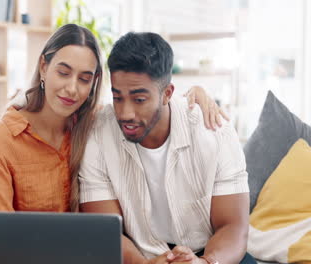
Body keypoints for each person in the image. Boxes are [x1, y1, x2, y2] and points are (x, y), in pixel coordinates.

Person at [0, 24, 227, 264]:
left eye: (85, 79)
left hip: (70, 250)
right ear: (44, 67)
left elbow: (153, 100)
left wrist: (197, 96)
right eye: (63, 73)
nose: (71, 89)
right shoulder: (3, 138)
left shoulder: (94, 124)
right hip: (9, 250)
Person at [79, 32, 256, 264]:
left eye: (139, 99)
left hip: (210, 253)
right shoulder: (99, 134)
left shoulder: (213, 130)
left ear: (167, 94)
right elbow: (106, 231)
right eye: (117, 97)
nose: (125, 113)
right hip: (138, 256)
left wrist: (205, 262)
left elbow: (233, 226)